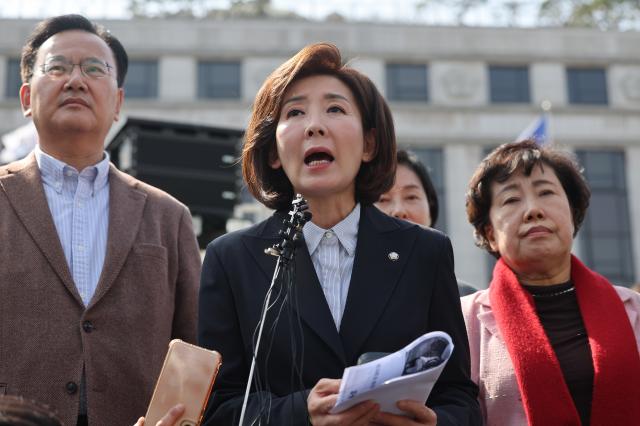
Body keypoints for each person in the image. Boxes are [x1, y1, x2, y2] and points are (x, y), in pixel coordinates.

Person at [198, 43, 480, 425]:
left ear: (369, 144)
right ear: (274, 154)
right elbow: (216, 408)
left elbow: (459, 398)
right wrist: (300, 413)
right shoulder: (230, 258)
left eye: (335, 109)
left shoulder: (424, 251)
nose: (315, 124)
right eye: (295, 112)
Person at [0, 15, 201, 426]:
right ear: (25, 97)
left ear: (118, 103)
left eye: (94, 69)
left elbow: (195, 349)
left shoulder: (168, 216)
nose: (76, 80)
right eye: (57, 67)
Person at [461, 140, 640, 425]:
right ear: (490, 233)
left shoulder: (633, 310)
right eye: (511, 200)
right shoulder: (463, 320)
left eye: (546, 193)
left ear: (573, 215)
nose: (533, 210)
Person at [375, 149, 477, 296]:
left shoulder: (468, 302)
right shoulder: (347, 297)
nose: (398, 211)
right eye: (383, 199)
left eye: (411, 197)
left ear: (431, 207)